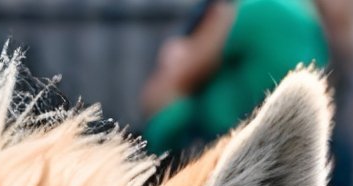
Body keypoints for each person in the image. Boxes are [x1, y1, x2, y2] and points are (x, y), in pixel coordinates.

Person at [141, 0, 330, 156]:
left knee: (169, 114)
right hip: (286, 141)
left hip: (230, 142)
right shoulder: (305, 13)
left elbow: (177, 78)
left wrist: (176, 54)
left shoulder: (252, 9)